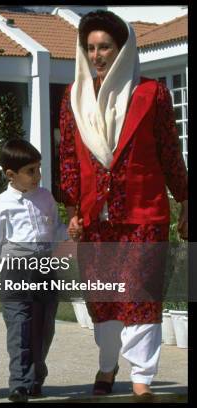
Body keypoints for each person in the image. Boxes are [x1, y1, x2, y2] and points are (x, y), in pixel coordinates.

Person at [59, 10, 188, 400]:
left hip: (143, 213)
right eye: (91, 48)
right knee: (105, 297)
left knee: (142, 297)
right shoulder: (73, 98)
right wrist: (74, 211)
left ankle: (142, 378)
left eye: (106, 47)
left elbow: (169, 151)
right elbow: (67, 156)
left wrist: (185, 198)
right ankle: (107, 363)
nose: (98, 55)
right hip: (96, 219)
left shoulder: (153, 93)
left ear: (123, 49)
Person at [0, 139, 71, 402]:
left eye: (38, 168)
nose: (38, 175)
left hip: (45, 268)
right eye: (31, 170)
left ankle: (35, 377)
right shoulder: (0, 205)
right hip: (15, 270)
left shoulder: (45, 198)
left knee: (43, 327)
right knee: (19, 326)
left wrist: (70, 232)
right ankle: (18, 383)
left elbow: (54, 232)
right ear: (11, 174)